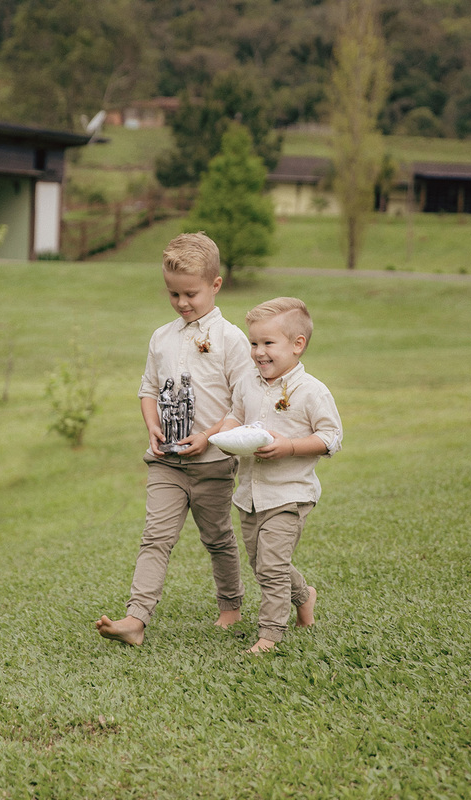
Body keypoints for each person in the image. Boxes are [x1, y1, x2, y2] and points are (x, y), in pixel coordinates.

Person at [96, 233, 254, 646]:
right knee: (155, 538)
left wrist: (208, 437)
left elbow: (243, 403)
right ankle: (136, 619)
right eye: (173, 295)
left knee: (217, 537)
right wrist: (151, 424)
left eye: (191, 294)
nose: (182, 303)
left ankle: (231, 606)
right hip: (165, 461)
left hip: (213, 462)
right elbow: (148, 389)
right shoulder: (161, 338)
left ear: (215, 286)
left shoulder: (231, 339)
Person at [219, 297, 343, 653]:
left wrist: (289, 446)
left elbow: (331, 437)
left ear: (297, 345)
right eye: (253, 343)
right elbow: (235, 415)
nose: (258, 352)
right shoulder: (247, 383)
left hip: (290, 494)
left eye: (268, 343)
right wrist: (225, 437)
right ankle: (304, 597)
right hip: (250, 496)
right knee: (263, 563)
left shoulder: (311, 391)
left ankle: (269, 635)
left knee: (271, 567)